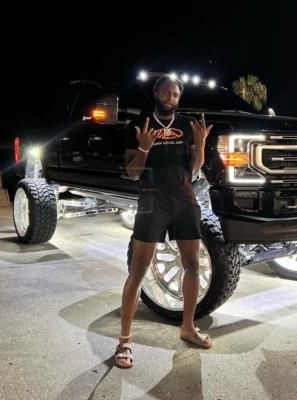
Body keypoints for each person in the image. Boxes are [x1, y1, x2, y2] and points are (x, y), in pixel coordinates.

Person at [114, 75, 213, 368]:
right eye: (166, 92)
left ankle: (188, 327)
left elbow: (195, 170)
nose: (170, 98)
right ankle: (124, 342)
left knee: (193, 266)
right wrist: (144, 147)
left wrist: (201, 145)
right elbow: (133, 173)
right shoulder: (138, 126)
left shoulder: (187, 126)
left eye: (175, 94)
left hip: (184, 200)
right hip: (151, 200)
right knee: (138, 269)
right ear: (156, 93)